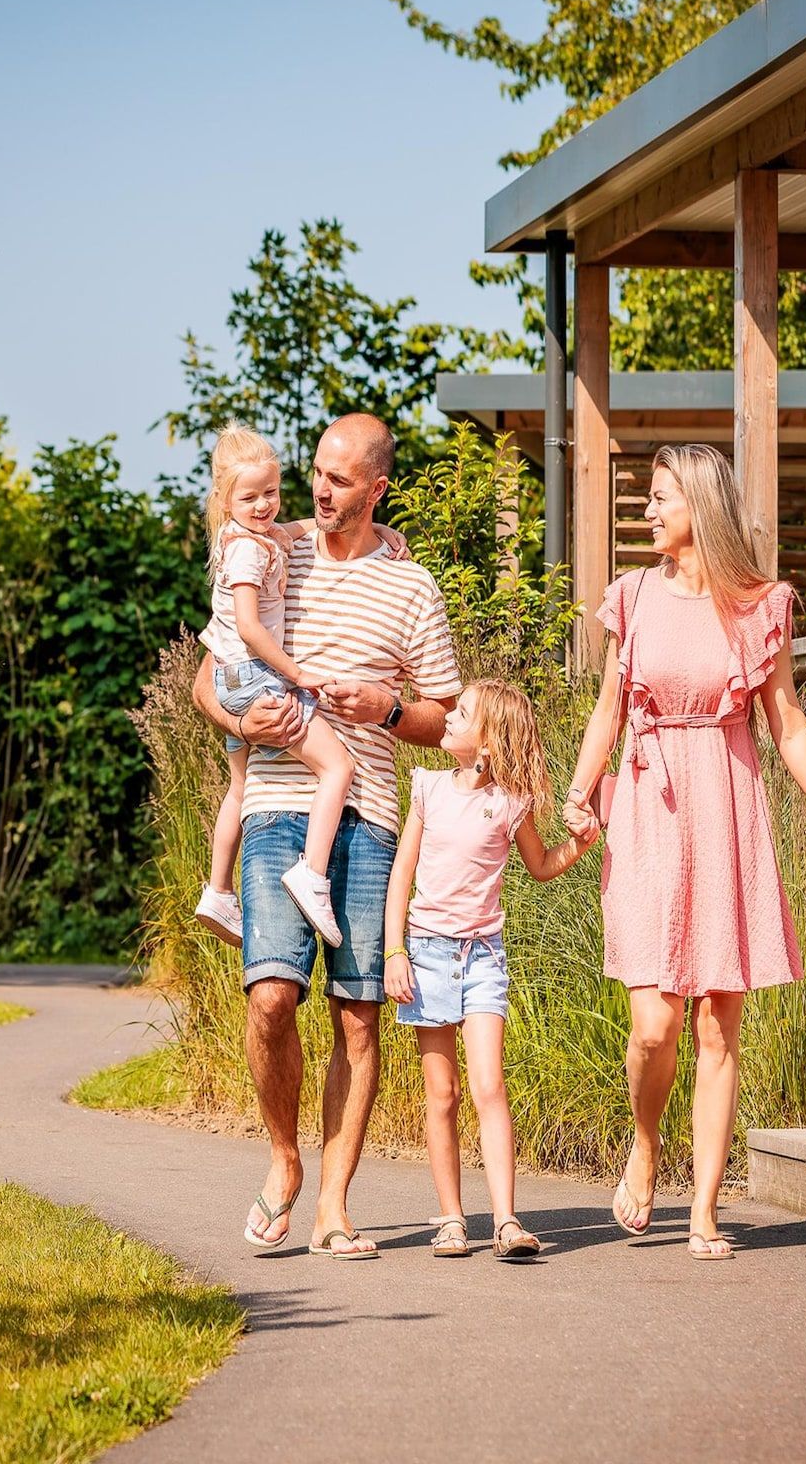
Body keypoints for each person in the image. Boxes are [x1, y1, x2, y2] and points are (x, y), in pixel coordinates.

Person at [562, 443, 806, 1261]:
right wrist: (580, 793)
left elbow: (787, 722)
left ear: (700, 504)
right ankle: (646, 1144)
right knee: (654, 1027)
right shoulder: (633, 596)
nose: (647, 512)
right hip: (650, 806)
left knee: (718, 1024)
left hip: (728, 805)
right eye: (647, 499)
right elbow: (606, 713)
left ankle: (705, 1209)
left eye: (660, 498)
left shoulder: (759, 606)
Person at [190, 412, 462, 1260]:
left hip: (373, 814)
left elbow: (446, 718)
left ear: (378, 488)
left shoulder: (412, 586)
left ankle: (334, 1206)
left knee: (357, 1019)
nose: (319, 490)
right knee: (271, 999)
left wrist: (385, 708)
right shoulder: (276, 547)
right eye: (316, 471)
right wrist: (246, 715)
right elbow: (208, 679)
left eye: (340, 480)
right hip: (276, 800)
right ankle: (283, 1158)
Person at [382, 679, 596, 1260]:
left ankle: (505, 1220)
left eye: (463, 713)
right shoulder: (427, 789)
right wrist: (394, 953)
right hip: (425, 954)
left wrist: (582, 842)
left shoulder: (508, 802)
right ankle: (452, 1219)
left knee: (489, 1086)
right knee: (441, 1092)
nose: (448, 716)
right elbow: (401, 877)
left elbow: (543, 865)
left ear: (488, 742)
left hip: (483, 959)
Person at [192, 425, 356, 950]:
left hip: (231, 680)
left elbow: (299, 528)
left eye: (272, 492)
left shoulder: (243, 536)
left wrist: (380, 533)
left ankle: (217, 890)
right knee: (339, 766)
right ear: (223, 498)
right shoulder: (249, 554)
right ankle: (311, 873)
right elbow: (248, 626)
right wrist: (297, 672)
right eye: (250, 496)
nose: (265, 505)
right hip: (257, 676)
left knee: (240, 788)